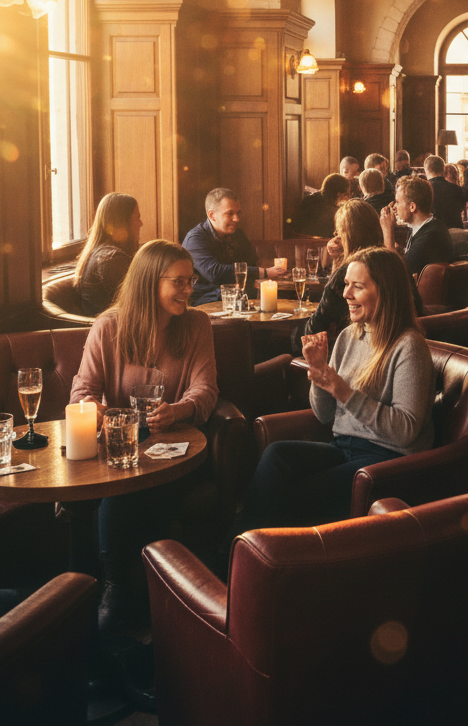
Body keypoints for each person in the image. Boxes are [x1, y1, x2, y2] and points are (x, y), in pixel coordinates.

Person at [70, 240, 219, 628]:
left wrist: (177, 411)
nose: (188, 290)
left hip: (178, 449)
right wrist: (94, 409)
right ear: (149, 281)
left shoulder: (196, 324)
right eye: (178, 282)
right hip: (122, 448)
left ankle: (122, 589)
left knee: (127, 491)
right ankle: (119, 591)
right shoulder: (109, 326)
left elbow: (205, 390)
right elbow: (82, 390)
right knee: (112, 486)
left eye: (191, 281)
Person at [240, 247, 433, 530]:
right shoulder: (348, 336)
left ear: (386, 292)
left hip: (387, 459)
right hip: (343, 447)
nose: (346, 294)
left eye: (358, 286)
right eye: (346, 284)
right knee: (276, 455)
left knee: (291, 497)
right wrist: (320, 375)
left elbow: (406, 431)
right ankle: (235, 548)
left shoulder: (409, 346)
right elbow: (324, 415)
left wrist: (343, 391)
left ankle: (246, 550)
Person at [295, 199, 423, 353]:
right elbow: (418, 308)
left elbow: (312, 331)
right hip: (396, 344)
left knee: (294, 337)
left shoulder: (349, 271)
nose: (337, 236)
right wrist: (339, 258)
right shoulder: (394, 261)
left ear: (347, 235)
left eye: (339, 232)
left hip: (355, 349)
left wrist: (339, 262)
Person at [184, 188, 288, 306]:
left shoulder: (237, 234)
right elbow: (215, 274)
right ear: (212, 215)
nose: (236, 219)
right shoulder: (195, 239)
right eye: (230, 213)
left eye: (238, 213)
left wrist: (269, 272)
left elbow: (251, 262)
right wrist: (264, 273)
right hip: (204, 299)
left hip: (236, 294)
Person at [74, 192, 143, 315]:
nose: (141, 223)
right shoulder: (110, 258)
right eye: (137, 217)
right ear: (122, 222)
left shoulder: (106, 254)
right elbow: (137, 304)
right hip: (109, 326)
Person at [380, 175, 453, 276]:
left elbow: (395, 272)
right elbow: (409, 257)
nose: (395, 207)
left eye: (398, 202)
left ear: (412, 207)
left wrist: (387, 230)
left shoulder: (431, 235)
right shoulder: (422, 227)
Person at [294, 172, 350, 238]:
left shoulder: (307, 199)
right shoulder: (335, 213)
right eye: (346, 194)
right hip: (323, 242)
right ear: (339, 195)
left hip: (300, 240)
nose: (347, 197)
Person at [424, 153, 464, 229]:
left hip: (433, 232)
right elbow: (461, 208)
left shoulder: (423, 189)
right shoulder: (457, 189)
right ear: (444, 169)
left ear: (426, 170)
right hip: (456, 231)